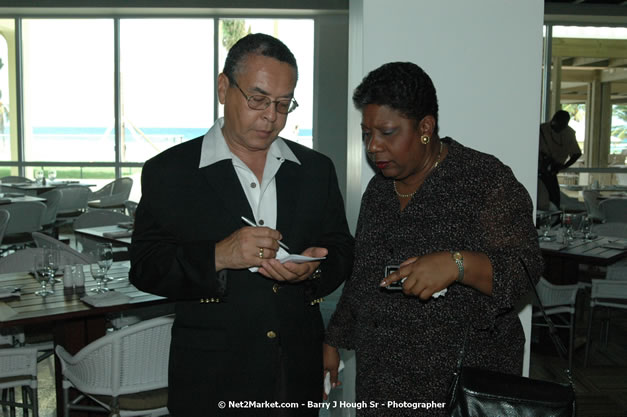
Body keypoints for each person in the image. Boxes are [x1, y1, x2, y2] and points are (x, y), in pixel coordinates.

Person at [129, 33, 354, 416]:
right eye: (258, 99)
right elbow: (146, 267)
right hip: (212, 377)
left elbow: (342, 248)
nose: (271, 116)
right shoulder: (170, 172)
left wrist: (313, 272)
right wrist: (218, 255)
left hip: (296, 371)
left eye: (284, 104)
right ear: (222, 87)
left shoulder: (316, 169)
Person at [322, 62, 543, 416]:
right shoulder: (378, 191)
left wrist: (458, 264)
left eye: (387, 132)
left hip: (460, 388)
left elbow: (526, 269)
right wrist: (334, 339)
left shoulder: (484, 180)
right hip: (382, 383)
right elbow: (364, 275)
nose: (373, 147)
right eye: (367, 134)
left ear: (425, 127)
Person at [538, 110, 582, 209]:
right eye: (560, 124)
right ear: (553, 120)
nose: (562, 127)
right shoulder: (541, 130)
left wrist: (563, 166)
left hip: (552, 173)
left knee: (554, 201)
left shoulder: (569, 133)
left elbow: (576, 153)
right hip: (539, 172)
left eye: (564, 125)